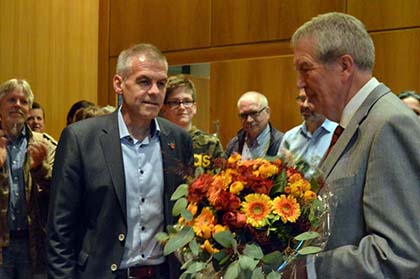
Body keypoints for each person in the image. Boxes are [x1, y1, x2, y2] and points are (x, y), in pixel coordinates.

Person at [47, 43, 194, 279]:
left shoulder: (179, 140)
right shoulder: (81, 139)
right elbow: (60, 229)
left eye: (162, 83)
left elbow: (186, 215)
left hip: (162, 273)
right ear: (119, 84)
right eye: (144, 81)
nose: (155, 91)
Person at [291, 12, 420, 278]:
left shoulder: (389, 123)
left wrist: (308, 269)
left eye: (306, 69)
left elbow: (398, 254)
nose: (300, 84)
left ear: (344, 66)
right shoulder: (357, 123)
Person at [0, 79, 56, 279]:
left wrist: (40, 168)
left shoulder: (45, 144)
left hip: (33, 245)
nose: (17, 105)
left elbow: (60, 191)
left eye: (23, 102)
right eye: (11, 100)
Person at [160, 74, 224, 170]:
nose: (181, 107)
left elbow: (221, 179)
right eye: (175, 102)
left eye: (187, 101)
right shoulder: (158, 141)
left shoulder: (210, 143)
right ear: (164, 108)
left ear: (194, 107)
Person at [278, 88, 337, 175]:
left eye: (311, 100)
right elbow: (280, 172)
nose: (305, 105)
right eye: (302, 99)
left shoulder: (338, 134)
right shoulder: (290, 136)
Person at [225, 91, 283, 160]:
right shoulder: (234, 144)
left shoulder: (282, 143)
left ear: (268, 112)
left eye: (254, 113)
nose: (249, 120)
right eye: (244, 115)